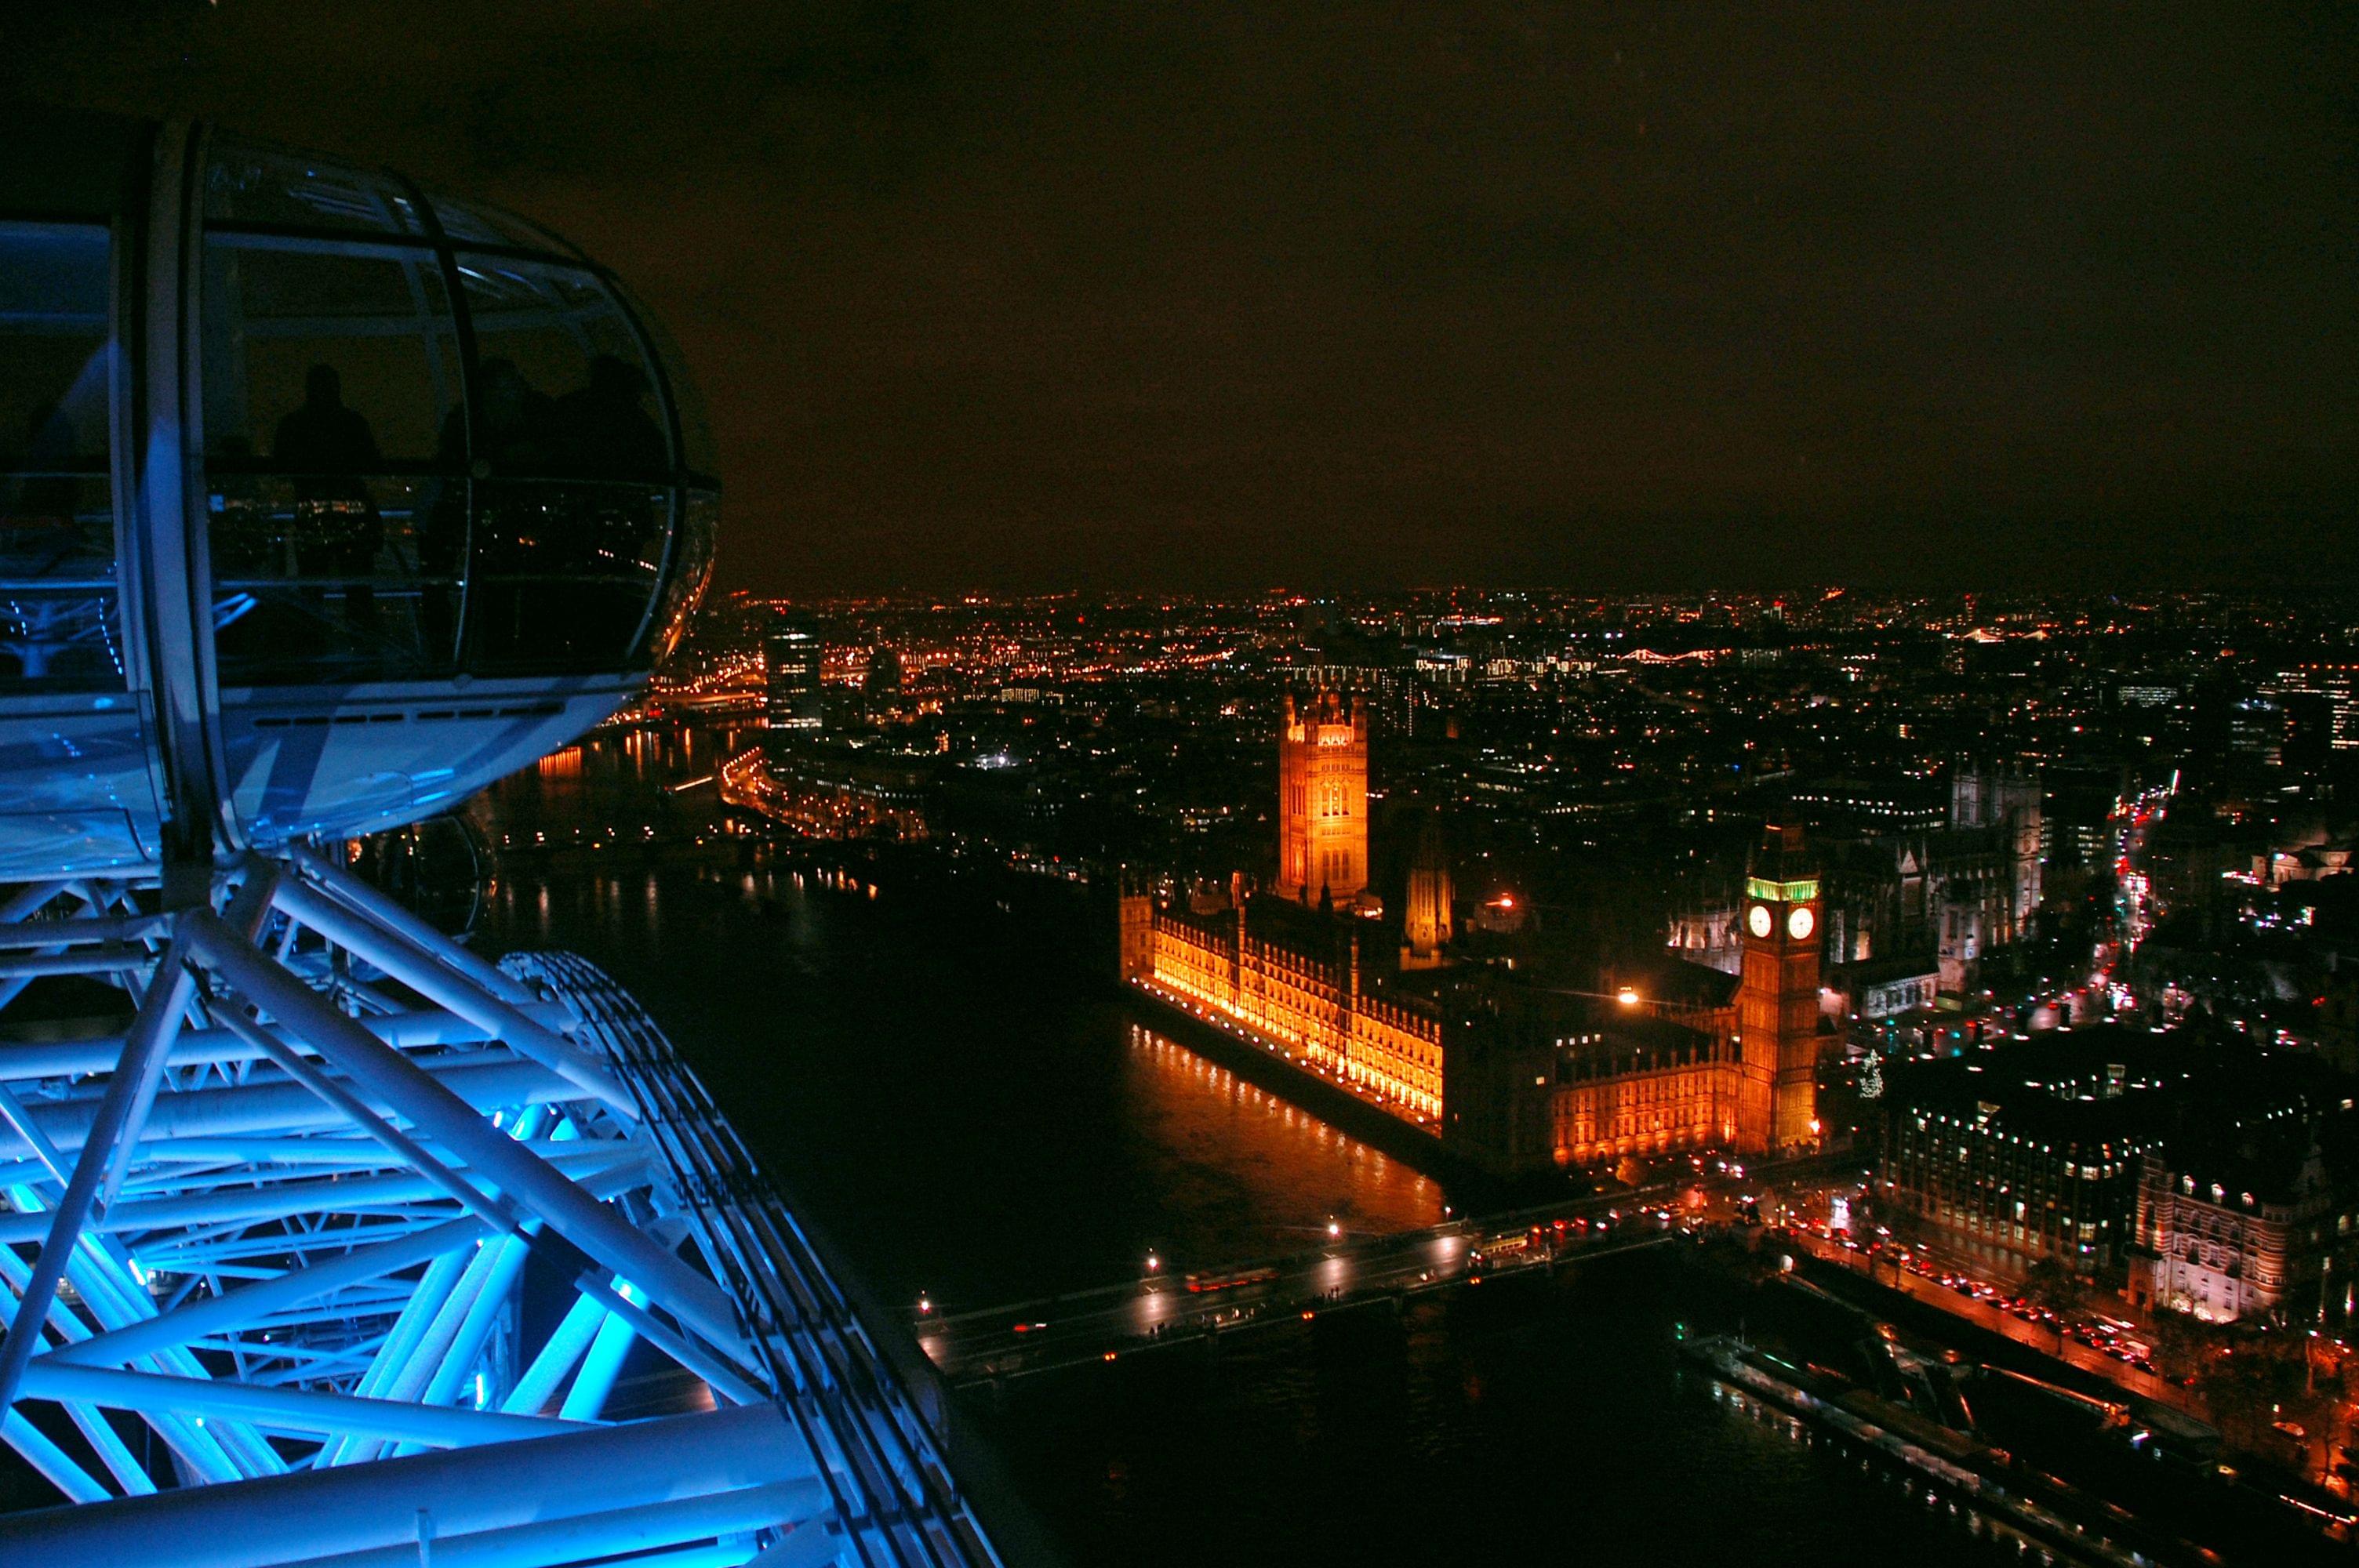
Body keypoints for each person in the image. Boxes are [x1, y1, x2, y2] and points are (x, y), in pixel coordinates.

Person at [274, 365, 385, 642]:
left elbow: (281, 464)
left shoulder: (293, 425)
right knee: (358, 590)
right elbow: (371, 463)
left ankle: (312, 647)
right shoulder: (352, 423)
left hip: (313, 511)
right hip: (353, 513)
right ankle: (365, 648)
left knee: (312, 588)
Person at [551, 354, 666, 478]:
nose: (637, 400)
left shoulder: (570, 405)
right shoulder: (631, 419)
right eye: (635, 394)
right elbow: (660, 453)